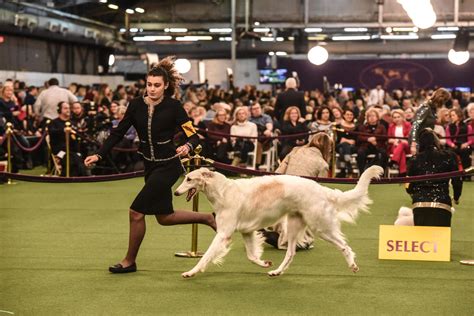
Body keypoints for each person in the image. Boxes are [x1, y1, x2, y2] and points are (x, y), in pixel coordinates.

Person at [84, 57, 216, 274]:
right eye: (149, 84)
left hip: (169, 166)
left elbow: (194, 136)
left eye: (156, 85)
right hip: (150, 166)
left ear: (165, 86)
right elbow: (118, 133)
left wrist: (187, 147)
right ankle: (207, 218)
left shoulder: (174, 106)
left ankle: (129, 261)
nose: (152, 89)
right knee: (164, 218)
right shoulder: (135, 105)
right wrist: (99, 154)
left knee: (136, 212)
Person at [262, 133, 333, 250]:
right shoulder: (323, 164)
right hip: (301, 196)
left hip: (283, 188)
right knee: (303, 237)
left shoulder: (295, 150)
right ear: (326, 148)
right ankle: (290, 240)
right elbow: (319, 189)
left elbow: (278, 172)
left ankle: (273, 231)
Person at [405, 129, 463, 227]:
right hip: (442, 203)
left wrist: (414, 194)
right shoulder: (449, 156)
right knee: (441, 240)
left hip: (420, 204)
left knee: (422, 239)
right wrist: (456, 197)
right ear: (436, 141)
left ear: (420, 144)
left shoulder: (414, 160)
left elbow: (408, 185)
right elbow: (457, 180)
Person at [409, 88, 451, 155]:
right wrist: (413, 144)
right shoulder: (426, 107)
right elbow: (415, 125)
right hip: (419, 141)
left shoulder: (432, 109)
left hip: (427, 141)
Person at [355, 107, 388, 174]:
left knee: (383, 153)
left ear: (377, 117)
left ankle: (378, 173)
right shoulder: (362, 127)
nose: (371, 117)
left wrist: (375, 139)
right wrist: (368, 139)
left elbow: (385, 137)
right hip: (366, 146)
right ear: (367, 118)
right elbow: (359, 137)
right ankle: (362, 173)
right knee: (360, 152)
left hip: (378, 146)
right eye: (369, 116)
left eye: (373, 116)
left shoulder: (382, 127)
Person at [387, 109, 411, 176]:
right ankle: (402, 172)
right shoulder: (391, 126)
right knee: (401, 151)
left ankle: (393, 160)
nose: (397, 119)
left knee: (402, 144)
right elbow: (389, 139)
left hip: (406, 146)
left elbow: (410, 136)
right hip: (395, 147)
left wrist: (402, 141)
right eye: (395, 117)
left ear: (402, 117)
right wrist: (394, 141)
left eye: (398, 117)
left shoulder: (408, 125)